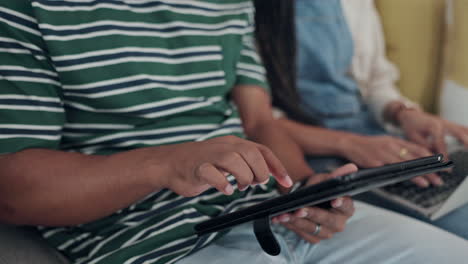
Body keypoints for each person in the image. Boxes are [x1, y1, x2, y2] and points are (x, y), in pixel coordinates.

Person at [1, 1, 468, 264]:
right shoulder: (26, 9)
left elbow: (261, 123)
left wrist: (305, 189)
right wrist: (165, 162)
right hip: (152, 244)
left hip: (270, 214)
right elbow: (15, 190)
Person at [266, 0, 468, 239]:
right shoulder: (245, 9)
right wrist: (352, 144)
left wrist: (403, 113)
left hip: (373, 135)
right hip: (308, 150)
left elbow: (376, 82)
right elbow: (261, 122)